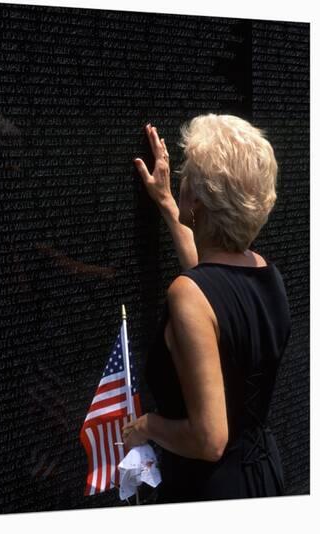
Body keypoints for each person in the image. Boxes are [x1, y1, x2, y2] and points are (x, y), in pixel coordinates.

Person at [121, 114, 292, 502]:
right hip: (263, 475)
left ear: (198, 199)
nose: (180, 178)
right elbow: (209, 281)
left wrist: (146, 426)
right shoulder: (268, 275)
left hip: (210, 491)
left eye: (187, 175)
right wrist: (167, 202)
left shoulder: (188, 294)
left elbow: (209, 439)